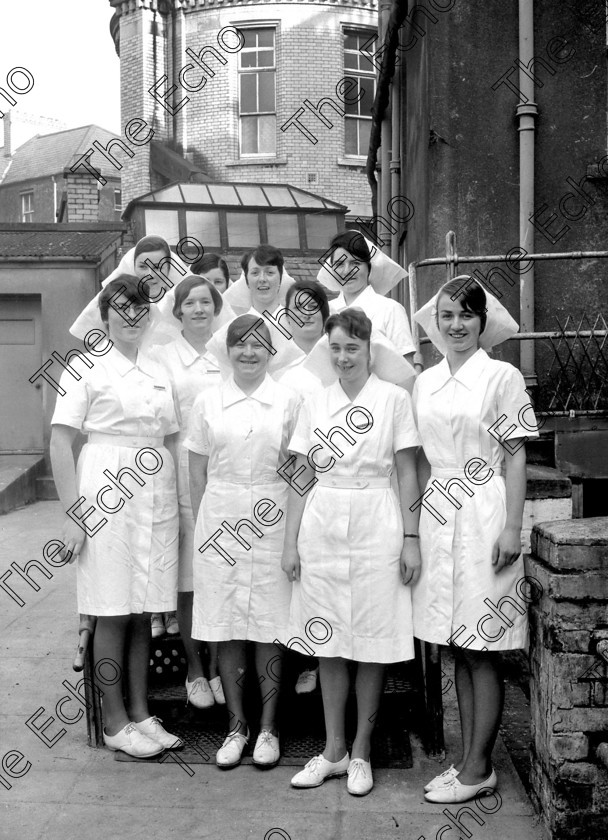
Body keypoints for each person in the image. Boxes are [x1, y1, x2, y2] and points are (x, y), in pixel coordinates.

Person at [282, 308, 421, 796]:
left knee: (372, 639)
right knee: (329, 642)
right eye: (336, 348)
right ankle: (333, 750)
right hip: (322, 522)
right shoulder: (315, 402)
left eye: (352, 348)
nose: (343, 357)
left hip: (377, 520)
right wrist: (290, 541)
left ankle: (361, 749)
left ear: (369, 350)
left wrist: (410, 537)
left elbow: (407, 472)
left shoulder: (393, 400)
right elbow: (300, 475)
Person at [411, 276, 538, 804]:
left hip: (485, 509)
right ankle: (472, 763)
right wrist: (413, 528)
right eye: (447, 315)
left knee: (484, 646)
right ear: (435, 324)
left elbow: (515, 456)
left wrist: (513, 525)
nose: (456, 324)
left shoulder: (502, 376)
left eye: (466, 315)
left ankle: (476, 767)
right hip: (441, 511)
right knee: (457, 645)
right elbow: (419, 459)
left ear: (482, 322)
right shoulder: (426, 381)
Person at [50, 276, 183, 758]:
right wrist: (73, 515)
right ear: (104, 316)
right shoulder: (85, 366)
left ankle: (141, 712)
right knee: (110, 608)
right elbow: (60, 442)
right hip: (106, 482)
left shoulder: (157, 366)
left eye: (139, 309)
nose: (131, 317)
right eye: (121, 309)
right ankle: (113, 720)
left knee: (144, 610)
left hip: (155, 483)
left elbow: (168, 434)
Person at [185, 314, 301, 769]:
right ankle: (237, 727)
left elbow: (298, 469)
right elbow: (196, 469)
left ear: (271, 352)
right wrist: (204, 529)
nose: (249, 352)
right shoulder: (208, 401)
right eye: (240, 344)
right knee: (228, 624)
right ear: (227, 351)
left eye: (259, 344)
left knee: (270, 623)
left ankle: (269, 727)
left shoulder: (288, 400)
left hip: (272, 513)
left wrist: (292, 532)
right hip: (221, 516)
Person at [149, 275, 226, 709]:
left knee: (220, 571)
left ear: (216, 307)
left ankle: (220, 669)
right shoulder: (163, 355)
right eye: (189, 303)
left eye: (205, 302)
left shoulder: (228, 352)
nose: (198, 309)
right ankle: (196, 671)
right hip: (179, 470)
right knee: (189, 575)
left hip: (228, 470)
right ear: (177, 311)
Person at [318, 230, 416, 363]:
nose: (347, 271)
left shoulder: (390, 309)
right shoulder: (326, 311)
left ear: (369, 268)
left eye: (355, 263)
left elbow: (406, 369)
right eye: (339, 264)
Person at [222, 244, 295, 316]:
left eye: (270, 272)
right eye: (255, 273)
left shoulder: (296, 324)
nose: (262, 279)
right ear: (247, 280)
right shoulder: (235, 326)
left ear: (280, 278)